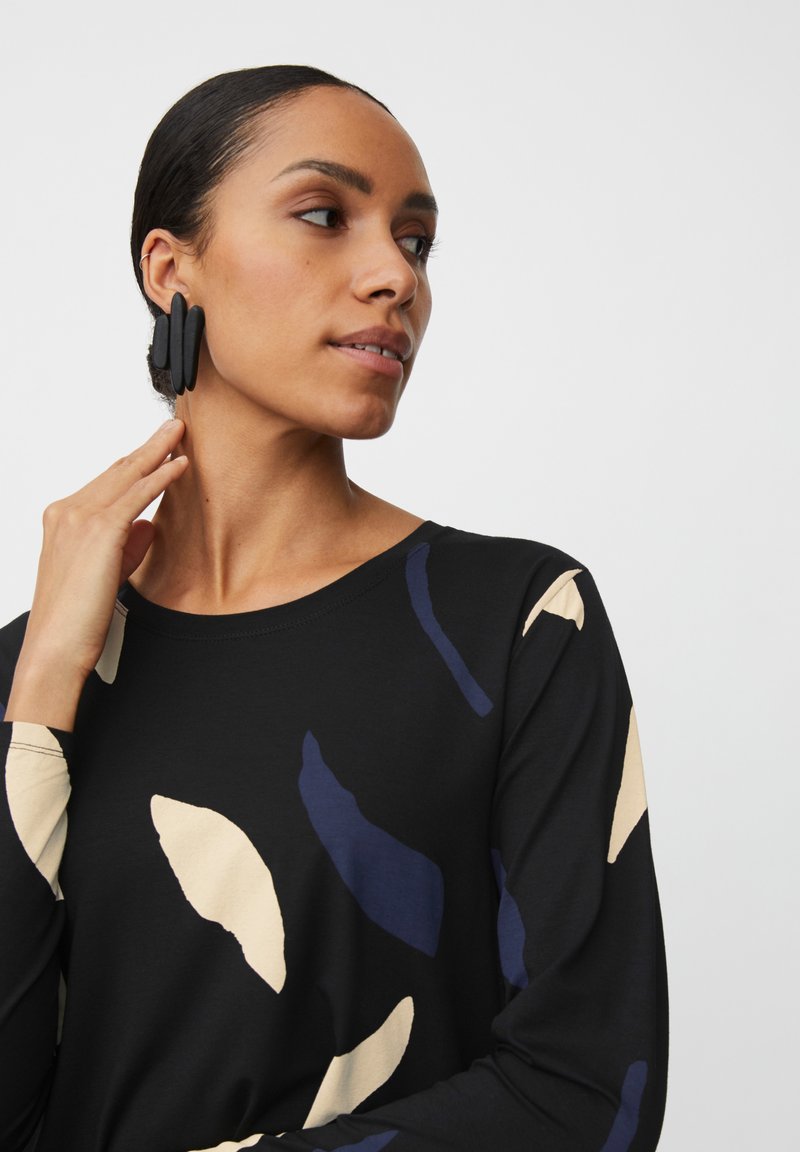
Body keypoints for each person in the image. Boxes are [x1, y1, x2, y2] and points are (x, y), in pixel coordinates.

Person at [0, 65, 668, 1152]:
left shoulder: (514, 626)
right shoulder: (35, 674)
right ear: (171, 270)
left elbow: (585, 1092)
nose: (394, 276)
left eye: (416, 241)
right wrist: (38, 688)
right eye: (323, 215)